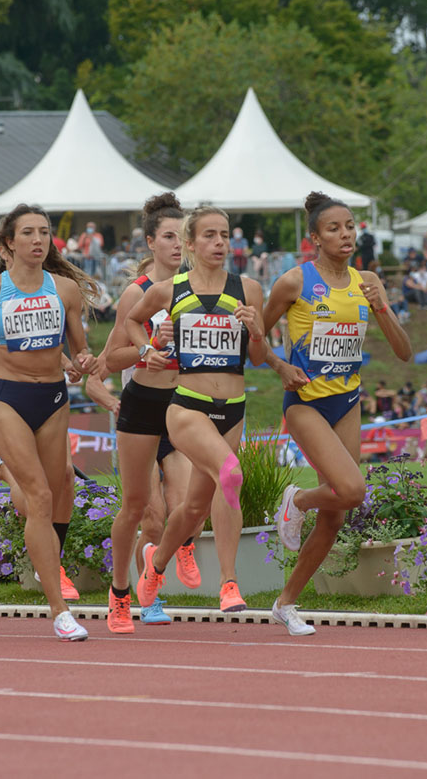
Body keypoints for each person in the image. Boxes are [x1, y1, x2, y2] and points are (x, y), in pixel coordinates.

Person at [0, 205, 97, 642]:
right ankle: (60, 610)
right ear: (8, 243)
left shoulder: (65, 290)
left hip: (53, 398)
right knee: (40, 496)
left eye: (44, 232)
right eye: (28, 233)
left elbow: (80, 349)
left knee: (55, 485)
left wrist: (85, 362)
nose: (38, 240)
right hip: (6, 398)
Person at [263, 191, 412, 636]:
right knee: (350, 489)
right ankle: (298, 499)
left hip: (347, 401)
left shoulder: (367, 281)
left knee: (338, 512)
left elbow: (404, 353)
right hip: (306, 402)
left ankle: (286, 603)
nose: (345, 234)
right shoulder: (294, 282)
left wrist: (381, 303)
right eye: (334, 228)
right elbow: (256, 339)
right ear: (315, 238)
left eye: (350, 226)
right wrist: (279, 364)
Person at [129, 205, 269, 615]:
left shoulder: (249, 289)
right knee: (232, 472)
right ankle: (229, 584)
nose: (219, 243)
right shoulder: (169, 290)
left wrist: (256, 330)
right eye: (209, 235)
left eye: (225, 235)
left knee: (194, 508)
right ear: (190, 243)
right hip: (188, 407)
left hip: (234, 407)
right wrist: (150, 346)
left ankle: (155, 565)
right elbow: (133, 323)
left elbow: (258, 356)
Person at [98, 193, 201, 633]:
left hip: (180, 408)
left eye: (184, 238)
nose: (178, 246)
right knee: (143, 511)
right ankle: (121, 593)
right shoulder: (137, 295)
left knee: (189, 507)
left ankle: (155, 574)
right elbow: (110, 362)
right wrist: (148, 347)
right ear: (151, 244)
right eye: (169, 238)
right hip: (141, 407)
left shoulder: (200, 291)